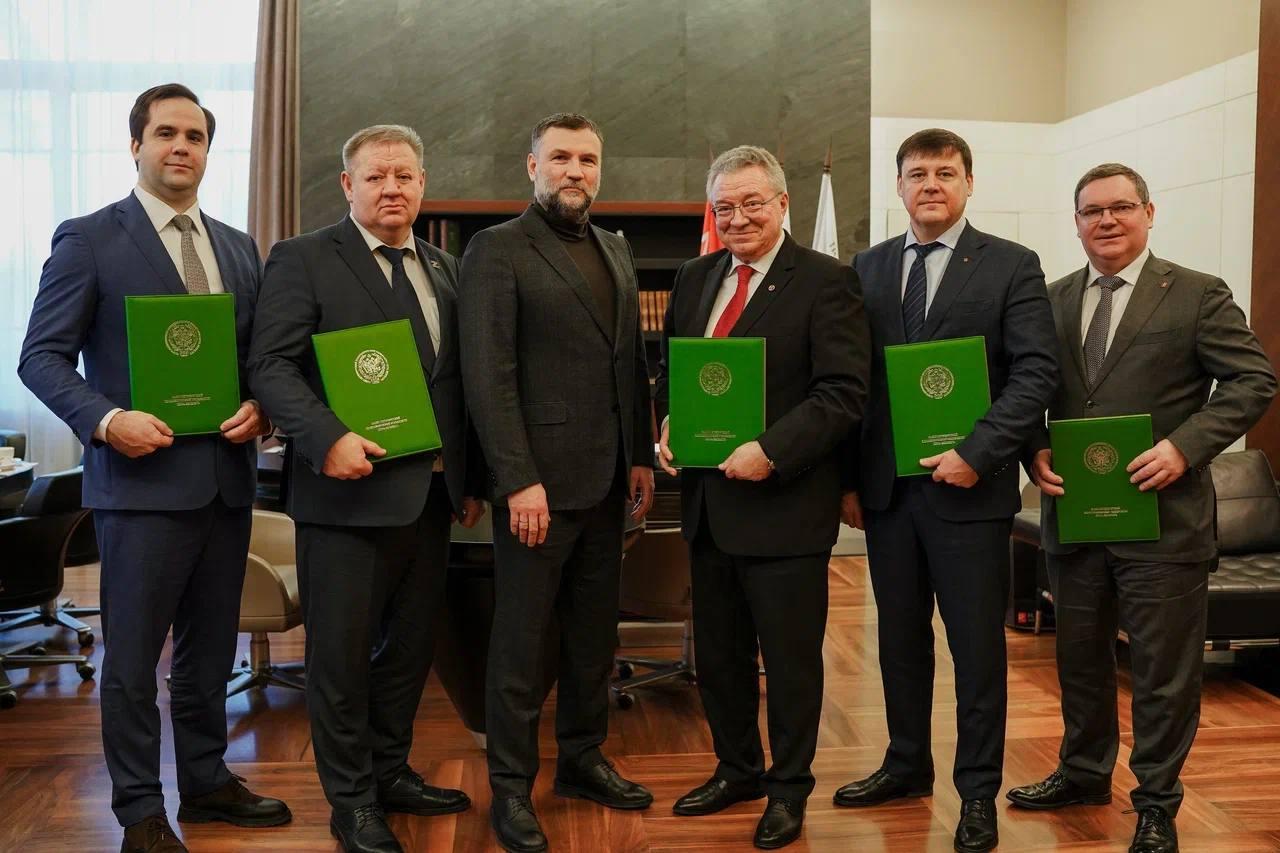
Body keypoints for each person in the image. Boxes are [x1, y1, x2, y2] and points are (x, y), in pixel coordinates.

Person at [17, 83, 290, 853]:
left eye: (195, 136)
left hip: (227, 482)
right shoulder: (89, 239)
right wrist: (108, 419)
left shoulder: (236, 246)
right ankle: (140, 810)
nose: (181, 147)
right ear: (135, 144)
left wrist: (262, 408)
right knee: (134, 661)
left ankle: (205, 781)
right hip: (138, 488)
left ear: (208, 150)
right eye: (166, 133)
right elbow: (40, 356)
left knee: (210, 652)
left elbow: (257, 361)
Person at [1005, 163, 1276, 853]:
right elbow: (1025, 387)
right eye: (1092, 210)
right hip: (1076, 517)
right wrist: (1034, 448)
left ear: (1148, 213)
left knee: (1162, 673)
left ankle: (1155, 802)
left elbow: (1253, 380)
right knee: (1080, 660)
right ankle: (1083, 772)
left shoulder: (1196, 293)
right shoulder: (1052, 299)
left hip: (1165, 521)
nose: (1107, 220)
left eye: (1121, 207)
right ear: (1076, 222)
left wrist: (1185, 447)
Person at [248, 124, 485, 853]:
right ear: (348, 185)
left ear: (422, 184)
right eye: (376, 176)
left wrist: (470, 476)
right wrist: (326, 437)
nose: (392, 188)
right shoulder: (304, 258)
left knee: (409, 652)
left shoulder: (446, 269)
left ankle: (390, 771)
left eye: (404, 176)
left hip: (432, 501)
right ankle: (350, 800)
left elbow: (457, 383)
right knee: (342, 659)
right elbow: (271, 366)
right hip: (345, 501)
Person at [834, 128, 1058, 853]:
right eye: (917, 173)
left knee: (976, 652)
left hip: (971, 494)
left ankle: (978, 792)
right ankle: (906, 763)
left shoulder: (1012, 264)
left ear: (968, 183)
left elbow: (1034, 373)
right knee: (899, 643)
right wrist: (847, 480)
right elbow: (852, 381)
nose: (931, 184)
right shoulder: (866, 267)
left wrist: (977, 452)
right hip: (887, 495)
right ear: (899, 185)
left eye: (946, 172)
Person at [654, 145, 869, 850]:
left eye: (752, 203)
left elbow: (842, 393)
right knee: (719, 659)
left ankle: (788, 788)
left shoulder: (828, 281)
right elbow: (676, 372)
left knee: (791, 662)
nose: (738, 218)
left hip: (786, 509)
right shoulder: (694, 277)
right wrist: (669, 424)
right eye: (724, 207)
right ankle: (737, 769)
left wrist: (771, 450)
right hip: (709, 510)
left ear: (782, 203)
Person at [458, 112, 655, 853]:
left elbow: (629, 361)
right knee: (521, 644)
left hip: (607, 484)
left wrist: (640, 452)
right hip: (537, 490)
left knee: (592, 637)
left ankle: (582, 758)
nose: (576, 171)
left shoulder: (615, 248)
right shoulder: (496, 249)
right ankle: (511, 787)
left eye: (588, 160)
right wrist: (517, 478)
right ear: (532, 166)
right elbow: (489, 375)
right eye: (562, 157)